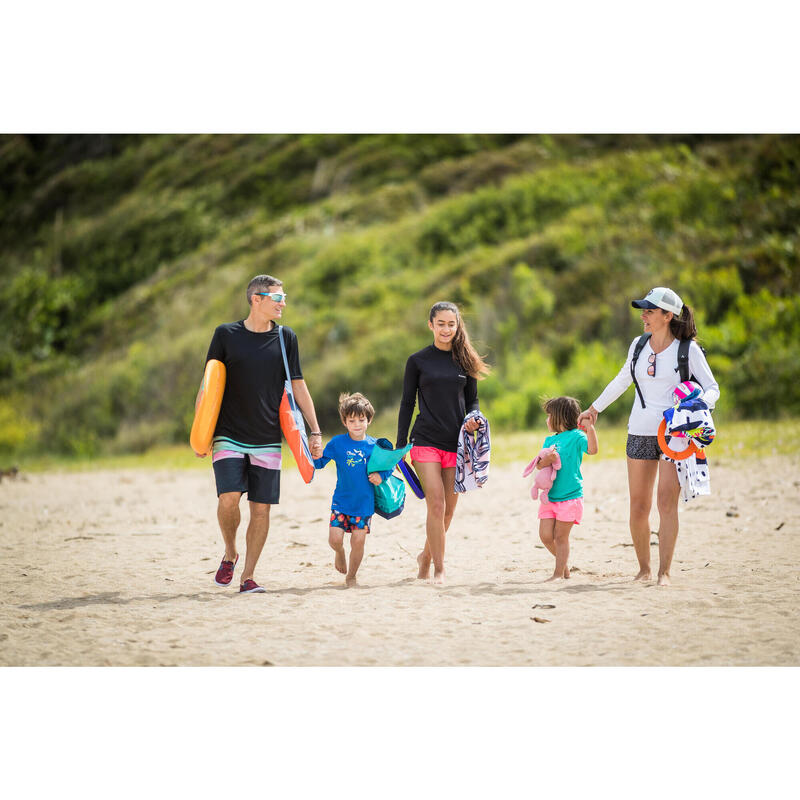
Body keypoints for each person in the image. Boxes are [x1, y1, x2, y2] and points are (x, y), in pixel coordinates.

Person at [577, 287, 720, 586]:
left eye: (650, 310)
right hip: (639, 429)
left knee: (666, 503)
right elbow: (622, 379)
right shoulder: (638, 346)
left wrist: (698, 404)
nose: (643, 315)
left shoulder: (688, 350)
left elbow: (712, 388)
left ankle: (664, 573)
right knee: (638, 507)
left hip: (675, 436)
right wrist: (594, 409)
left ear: (668, 316)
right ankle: (643, 569)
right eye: (643, 310)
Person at [194, 274, 323, 593]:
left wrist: (315, 431)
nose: (283, 303)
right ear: (257, 299)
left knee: (261, 508)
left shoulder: (285, 338)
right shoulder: (226, 334)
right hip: (228, 433)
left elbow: (298, 384)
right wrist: (201, 430)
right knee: (228, 500)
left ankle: (248, 576)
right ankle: (230, 552)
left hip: (267, 437)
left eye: (284, 297)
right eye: (278, 298)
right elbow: (209, 383)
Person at [396, 301, 490, 584]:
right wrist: (401, 446)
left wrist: (474, 417)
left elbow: (472, 399)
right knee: (435, 505)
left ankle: (425, 556)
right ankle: (439, 569)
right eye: (441, 324)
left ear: (457, 325)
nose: (446, 329)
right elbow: (407, 402)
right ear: (431, 325)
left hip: (457, 443)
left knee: (448, 512)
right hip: (424, 440)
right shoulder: (417, 361)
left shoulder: (465, 361)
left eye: (451, 324)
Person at [313, 392, 390, 587]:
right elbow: (319, 463)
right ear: (345, 422)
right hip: (341, 501)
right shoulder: (337, 443)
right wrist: (314, 454)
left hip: (364, 505)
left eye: (361, 420)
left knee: (358, 542)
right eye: (352, 420)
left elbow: (388, 466)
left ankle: (352, 576)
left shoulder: (375, 446)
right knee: (335, 539)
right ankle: (339, 553)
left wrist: (381, 476)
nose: (357, 424)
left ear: (369, 420)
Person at [536, 397, 598, 581]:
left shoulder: (577, 437)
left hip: (570, 497)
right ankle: (563, 566)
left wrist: (590, 429)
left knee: (561, 537)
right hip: (550, 497)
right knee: (546, 536)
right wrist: (545, 461)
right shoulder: (549, 440)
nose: (547, 420)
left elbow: (593, 450)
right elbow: (539, 465)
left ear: (559, 417)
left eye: (549, 416)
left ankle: (558, 573)